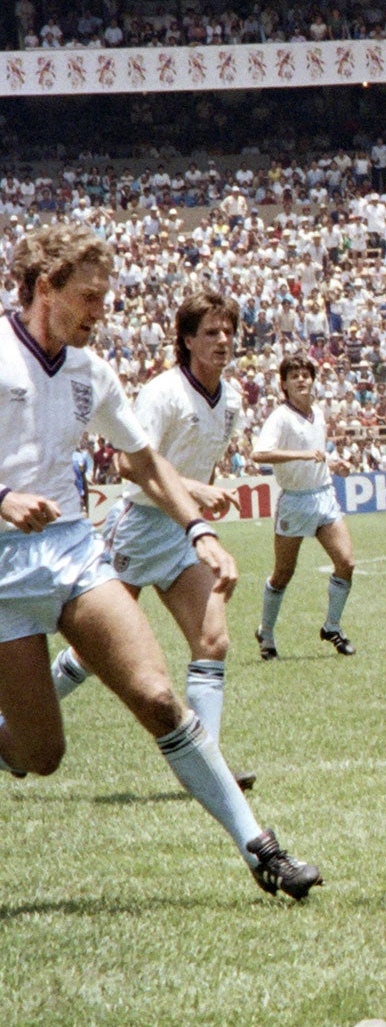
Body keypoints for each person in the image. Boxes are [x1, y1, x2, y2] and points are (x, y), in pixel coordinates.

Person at [0, 225, 319, 898]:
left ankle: (261, 848)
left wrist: (199, 528)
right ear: (44, 286)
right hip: (2, 571)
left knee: (157, 697)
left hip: (73, 555)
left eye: (105, 297)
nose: (99, 311)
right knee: (41, 755)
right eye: (88, 297)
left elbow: (143, 460)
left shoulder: (92, 372)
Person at [50, 289, 257, 790]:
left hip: (181, 533)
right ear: (186, 341)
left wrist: (196, 507)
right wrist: (193, 491)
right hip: (139, 527)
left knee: (213, 639)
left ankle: (207, 764)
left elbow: (198, 462)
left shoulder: (230, 400)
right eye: (210, 332)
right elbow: (126, 463)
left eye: (229, 331)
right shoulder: (164, 392)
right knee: (94, 653)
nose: (223, 340)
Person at [251, 353, 356, 659]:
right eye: (293, 375)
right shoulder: (280, 417)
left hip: (324, 495)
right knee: (283, 573)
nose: (301, 379)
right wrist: (300, 455)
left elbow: (318, 453)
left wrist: (335, 463)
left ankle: (332, 626)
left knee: (346, 562)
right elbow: (260, 455)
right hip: (295, 501)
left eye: (305, 374)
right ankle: (266, 633)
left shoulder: (318, 414)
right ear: (283, 384)